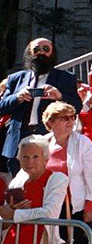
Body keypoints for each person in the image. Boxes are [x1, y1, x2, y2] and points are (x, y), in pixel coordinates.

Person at [0, 37, 82, 173]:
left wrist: (60, 96)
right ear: (30, 53)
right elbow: (2, 106)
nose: (41, 53)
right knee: (18, 186)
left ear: (52, 53)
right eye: (36, 49)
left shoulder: (66, 78)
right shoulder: (16, 79)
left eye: (45, 49)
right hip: (19, 139)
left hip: (48, 137)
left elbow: (77, 107)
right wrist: (18, 97)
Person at [43, 100, 92, 226]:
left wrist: (91, 205)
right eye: (64, 118)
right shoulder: (42, 142)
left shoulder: (83, 142)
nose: (71, 122)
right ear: (50, 122)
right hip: (47, 205)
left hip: (74, 207)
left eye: (73, 117)